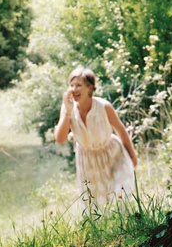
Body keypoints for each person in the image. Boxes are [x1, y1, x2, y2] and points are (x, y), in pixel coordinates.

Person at [54, 66, 138, 211]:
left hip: (112, 153)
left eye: (78, 85)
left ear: (90, 88)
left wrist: (132, 156)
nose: (74, 89)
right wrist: (67, 112)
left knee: (121, 196)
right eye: (71, 85)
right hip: (87, 159)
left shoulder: (104, 107)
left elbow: (121, 131)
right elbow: (60, 139)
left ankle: (127, 226)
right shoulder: (68, 109)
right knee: (94, 205)